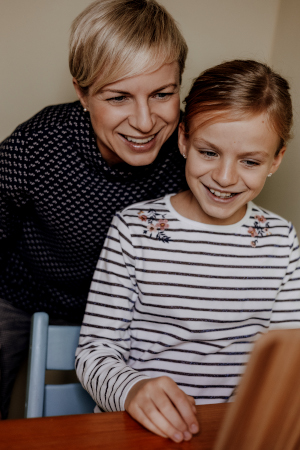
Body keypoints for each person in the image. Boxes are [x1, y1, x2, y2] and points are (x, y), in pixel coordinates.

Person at [75, 59, 300, 443]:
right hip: (136, 431)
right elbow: (94, 352)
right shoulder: (134, 229)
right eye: (208, 152)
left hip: (231, 434)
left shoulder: (281, 241)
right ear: (183, 140)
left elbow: (286, 361)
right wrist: (131, 391)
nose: (225, 177)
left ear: (275, 160)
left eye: (249, 161)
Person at [0, 0, 188, 419]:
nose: (144, 121)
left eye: (162, 93)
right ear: (82, 94)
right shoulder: (37, 146)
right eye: (118, 97)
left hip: (130, 308)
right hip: (22, 291)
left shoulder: (192, 150)